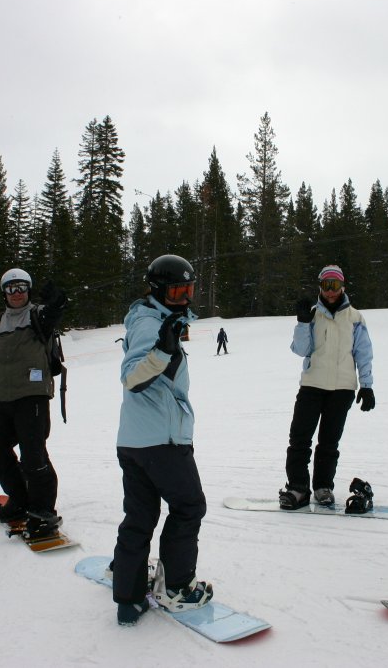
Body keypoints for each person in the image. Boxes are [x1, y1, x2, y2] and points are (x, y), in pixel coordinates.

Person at [112, 254, 213, 627]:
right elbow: (132, 377)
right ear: (157, 291)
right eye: (176, 292)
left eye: (189, 290)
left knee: (140, 516)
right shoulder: (149, 323)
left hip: (136, 440)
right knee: (188, 506)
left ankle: (128, 598)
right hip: (160, 441)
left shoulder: (156, 319)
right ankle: (177, 587)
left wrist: (165, 348)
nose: (184, 298)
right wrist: (162, 351)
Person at [0, 268, 68, 539]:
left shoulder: (38, 315)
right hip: (0, 399)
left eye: (22, 288)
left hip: (32, 397)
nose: (17, 294)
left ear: (28, 290)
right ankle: (20, 499)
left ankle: (43, 511)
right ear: (4, 293)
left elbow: (54, 314)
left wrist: (57, 302)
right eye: (11, 289)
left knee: (33, 455)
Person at [279, 264, 374, 509]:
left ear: (343, 286)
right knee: (299, 439)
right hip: (312, 385)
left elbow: (363, 353)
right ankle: (298, 488)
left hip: (342, 390)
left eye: (335, 285)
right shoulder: (312, 315)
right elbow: (301, 349)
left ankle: (323, 487)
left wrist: (366, 385)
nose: (331, 291)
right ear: (320, 287)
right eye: (326, 285)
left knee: (329, 443)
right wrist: (302, 323)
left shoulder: (355, 318)